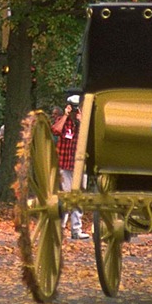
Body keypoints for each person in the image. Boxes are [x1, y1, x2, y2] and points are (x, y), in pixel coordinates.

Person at [51, 95, 89, 240]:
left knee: (79, 197)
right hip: (65, 165)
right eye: (72, 107)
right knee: (64, 197)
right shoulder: (64, 121)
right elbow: (55, 130)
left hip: (80, 166)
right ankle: (60, 227)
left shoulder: (84, 123)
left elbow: (90, 137)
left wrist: (81, 120)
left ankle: (76, 229)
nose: (74, 111)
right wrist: (66, 115)